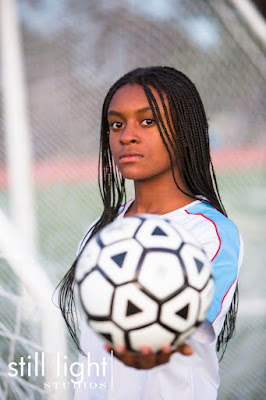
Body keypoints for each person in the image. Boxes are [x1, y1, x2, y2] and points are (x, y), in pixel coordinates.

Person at [58, 66, 243, 399]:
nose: (126, 135)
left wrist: (155, 344)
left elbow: (191, 321)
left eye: (147, 121)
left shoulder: (209, 233)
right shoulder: (99, 232)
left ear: (186, 133)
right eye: (117, 124)